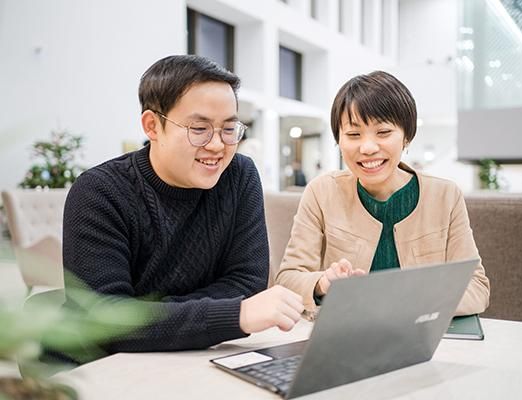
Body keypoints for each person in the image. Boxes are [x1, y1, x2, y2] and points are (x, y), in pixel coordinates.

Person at [60, 55, 303, 362]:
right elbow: (105, 322)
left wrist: (150, 316)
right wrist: (232, 314)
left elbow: (248, 282)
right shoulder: (100, 191)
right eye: (199, 128)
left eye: (229, 129)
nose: (217, 145)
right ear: (152, 125)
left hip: (200, 353)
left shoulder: (239, 175)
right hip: (101, 363)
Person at [275, 71, 490, 316]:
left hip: (422, 338)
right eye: (354, 135)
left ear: (406, 137)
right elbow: (287, 279)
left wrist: (410, 302)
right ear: (339, 140)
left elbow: (477, 288)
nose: (367, 148)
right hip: (347, 339)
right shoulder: (321, 191)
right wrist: (322, 283)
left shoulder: (445, 196)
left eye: (384, 132)